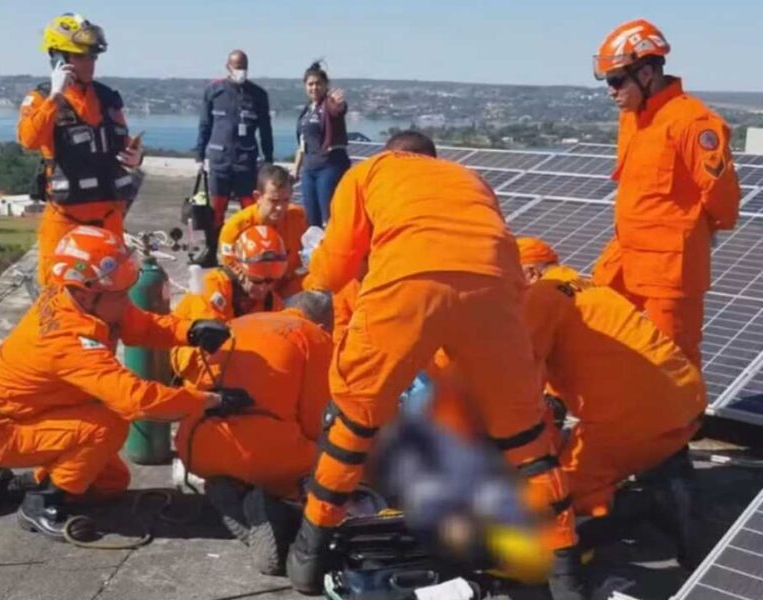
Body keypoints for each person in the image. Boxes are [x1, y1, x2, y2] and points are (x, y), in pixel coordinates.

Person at [289, 131, 580, 599]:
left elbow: (333, 268)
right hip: (492, 292)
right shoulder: (470, 179)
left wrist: (316, 271)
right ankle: (566, 577)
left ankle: (309, 554)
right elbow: (496, 252)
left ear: (392, 153)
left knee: (352, 426)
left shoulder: (369, 172)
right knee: (529, 441)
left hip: (408, 285)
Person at [0, 226, 247, 542]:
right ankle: (41, 503)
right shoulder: (66, 341)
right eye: (119, 295)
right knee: (109, 425)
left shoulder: (86, 301)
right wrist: (208, 401)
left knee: (110, 485)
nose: (125, 300)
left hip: (40, 412)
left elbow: (137, 325)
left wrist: (190, 332)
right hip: (3, 429)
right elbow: (137, 401)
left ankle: (23, 484)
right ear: (85, 292)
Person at [518, 237, 706, 567]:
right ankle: (671, 482)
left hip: (636, 422)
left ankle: (635, 510)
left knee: (553, 494)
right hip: (687, 401)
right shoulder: (591, 287)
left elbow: (515, 368)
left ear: (531, 273)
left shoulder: (540, 298)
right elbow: (582, 356)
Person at [591, 19, 740, 367]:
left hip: (669, 269)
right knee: (589, 326)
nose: (611, 91)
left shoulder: (693, 122)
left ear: (646, 73)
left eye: (616, 81)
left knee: (671, 361)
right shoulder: (633, 119)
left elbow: (721, 194)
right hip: (625, 255)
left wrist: (701, 231)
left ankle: (678, 423)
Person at [174, 292, 334, 575]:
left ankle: (233, 489)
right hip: (262, 456)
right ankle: (276, 515)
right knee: (334, 462)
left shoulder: (238, 323)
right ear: (323, 325)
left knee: (252, 457)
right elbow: (316, 420)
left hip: (195, 445)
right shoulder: (313, 337)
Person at [17, 13, 145, 287]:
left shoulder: (107, 97)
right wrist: (55, 96)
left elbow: (122, 145)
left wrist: (135, 157)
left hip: (109, 216)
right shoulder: (40, 98)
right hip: (66, 219)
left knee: (114, 291)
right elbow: (28, 139)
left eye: (92, 57)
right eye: (81, 57)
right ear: (60, 59)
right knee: (57, 292)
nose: (90, 63)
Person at [171, 224, 288, 381]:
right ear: (239, 269)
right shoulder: (213, 285)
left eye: (271, 281)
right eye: (257, 281)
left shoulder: (273, 303)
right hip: (198, 356)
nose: (264, 288)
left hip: (237, 358)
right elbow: (209, 340)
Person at [195, 50, 274, 266]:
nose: (241, 71)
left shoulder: (258, 95)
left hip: (246, 162)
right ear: (228, 67)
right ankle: (212, 250)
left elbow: (266, 129)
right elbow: (205, 125)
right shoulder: (214, 91)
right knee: (215, 211)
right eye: (237, 66)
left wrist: (269, 158)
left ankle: (252, 251)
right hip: (220, 160)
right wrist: (199, 155)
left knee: (250, 211)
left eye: (244, 66)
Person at [218, 165, 307, 297]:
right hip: (250, 291)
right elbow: (228, 264)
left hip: (286, 285)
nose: (280, 208)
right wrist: (250, 282)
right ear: (258, 196)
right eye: (273, 201)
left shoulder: (298, 218)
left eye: (285, 200)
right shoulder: (236, 227)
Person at [292, 62, 350, 228]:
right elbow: (302, 143)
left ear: (326, 85)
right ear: (305, 86)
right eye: (310, 84)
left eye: (318, 83)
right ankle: (314, 252)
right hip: (309, 170)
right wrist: (296, 169)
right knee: (311, 220)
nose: (314, 88)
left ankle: (333, 250)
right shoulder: (306, 111)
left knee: (329, 217)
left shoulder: (329, 104)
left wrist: (338, 104)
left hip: (329, 167)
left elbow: (337, 110)